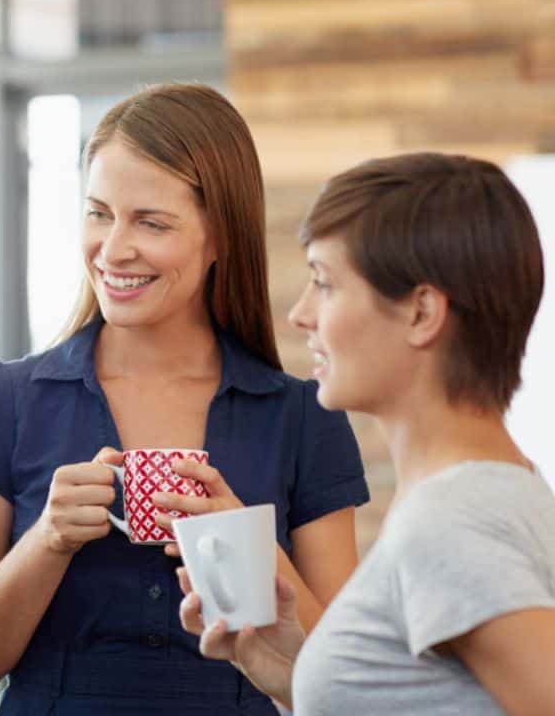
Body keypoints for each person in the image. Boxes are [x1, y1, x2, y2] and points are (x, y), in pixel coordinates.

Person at [0, 83, 370, 714]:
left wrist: (251, 557)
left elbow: (350, 686)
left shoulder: (301, 419)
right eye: (99, 213)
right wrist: (47, 541)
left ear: (220, 237)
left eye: (151, 222)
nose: (113, 248)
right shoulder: (3, 401)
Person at [178, 152, 555, 713]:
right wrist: (300, 676)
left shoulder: (449, 525)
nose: (301, 315)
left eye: (324, 283)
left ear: (422, 312)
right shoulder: (502, 489)